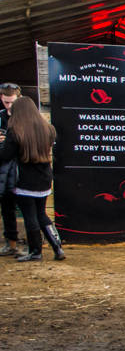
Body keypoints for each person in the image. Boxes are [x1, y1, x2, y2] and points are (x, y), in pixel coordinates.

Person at [0, 97, 61, 261]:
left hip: (25, 180)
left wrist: (3, 143)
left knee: (30, 216)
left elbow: (5, 155)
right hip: (45, 177)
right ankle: (57, 247)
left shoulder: (16, 130)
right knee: (42, 214)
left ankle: (36, 251)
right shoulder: (48, 129)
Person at [0, 83, 18, 256]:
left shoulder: (26, 118)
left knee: (31, 209)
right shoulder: (0, 117)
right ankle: (11, 244)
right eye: (6, 102)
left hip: (24, 169)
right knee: (7, 208)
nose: (9, 106)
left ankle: (36, 242)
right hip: (5, 170)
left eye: (12, 102)